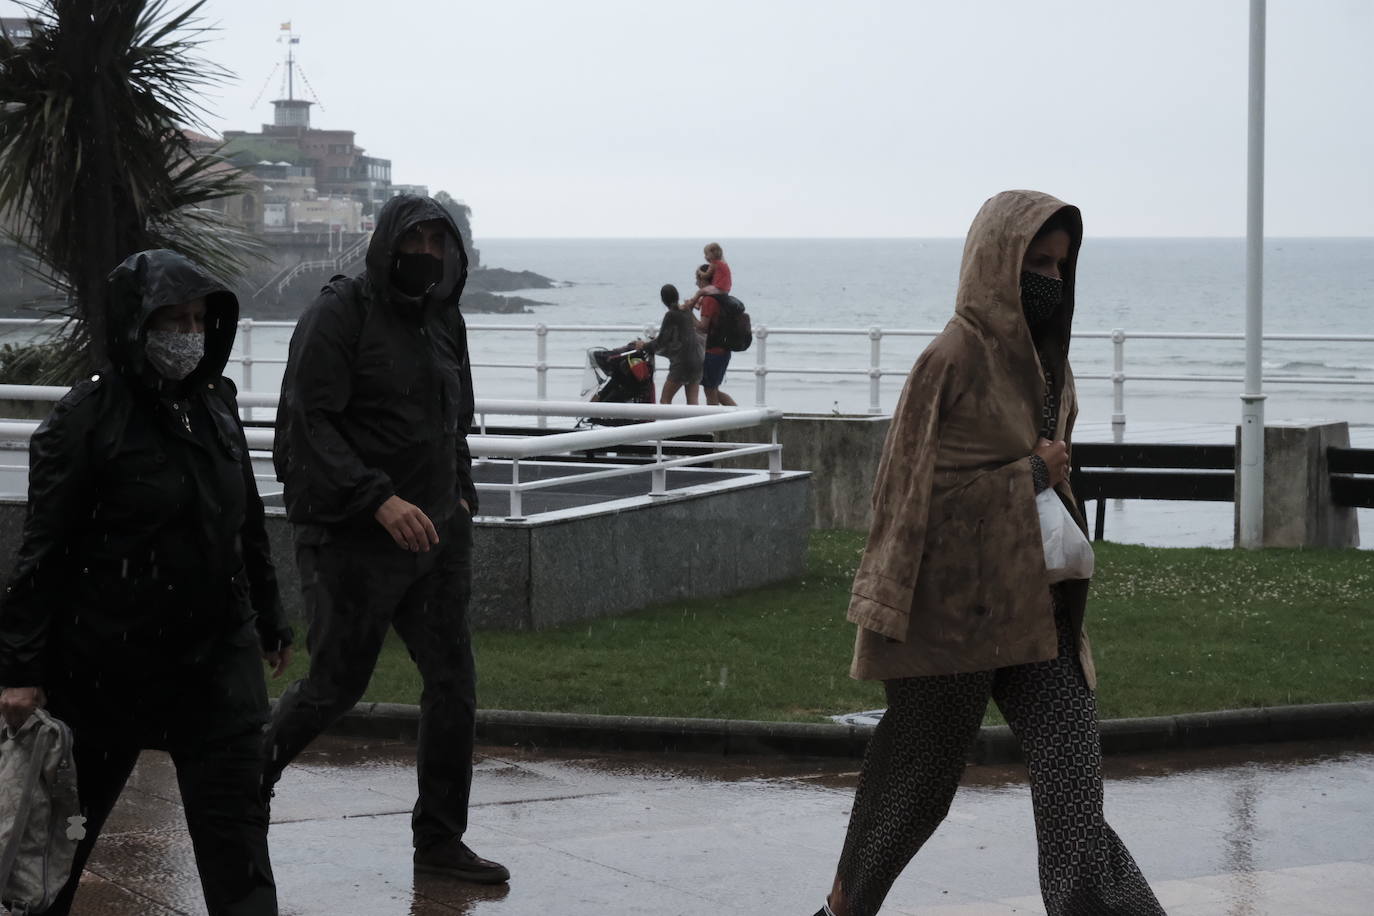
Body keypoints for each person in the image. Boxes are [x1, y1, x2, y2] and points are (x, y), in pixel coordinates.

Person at [816, 191, 1165, 916]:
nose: (1051, 281)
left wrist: (1046, 481)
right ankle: (843, 909)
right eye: (1036, 262)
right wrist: (1033, 474)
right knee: (915, 789)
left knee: (1074, 784)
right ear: (994, 262)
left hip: (1040, 612)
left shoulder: (1053, 369)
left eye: (1061, 266)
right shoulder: (950, 360)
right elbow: (903, 498)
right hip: (953, 618)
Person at [0, 249, 293, 916]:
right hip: (107, 669)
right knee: (63, 845)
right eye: (171, 319)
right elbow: (42, 554)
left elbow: (244, 520)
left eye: (197, 319)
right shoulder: (86, 421)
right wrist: (20, 668)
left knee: (238, 848)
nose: (187, 333)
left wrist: (271, 615)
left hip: (217, 666)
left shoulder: (215, 407)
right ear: (135, 324)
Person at [262, 194, 508, 885]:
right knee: (335, 685)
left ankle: (440, 838)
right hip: (351, 538)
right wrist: (379, 499)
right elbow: (311, 423)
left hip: (437, 534)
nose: (427, 255)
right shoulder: (338, 314)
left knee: (453, 684)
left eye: (440, 242)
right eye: (417, 240)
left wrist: (460, 492)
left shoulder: (445, 319)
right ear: (386, 242)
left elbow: (454, 416)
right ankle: (247, 781)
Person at [634, 283, 704, 404]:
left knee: (665, 400)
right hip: (697, 359)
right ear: (677, 296)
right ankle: (695, 423)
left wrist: (644, 345)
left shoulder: (671, 315)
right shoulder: (686, 311)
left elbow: (661, 342)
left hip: (682, 363)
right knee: (693, 402)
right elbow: (680, 336)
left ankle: (670, 424)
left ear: (663, 300)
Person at [692, 265, 738, 407]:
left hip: (713, 351)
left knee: (710, 392)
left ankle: (716, 426)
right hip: (722, 350)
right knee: (713, 390)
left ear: (704, 279)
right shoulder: (719, 296)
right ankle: (739, 416)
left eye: (697, 279)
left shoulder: (709, 299)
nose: (696, 283)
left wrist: (689, 315)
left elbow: (703, 327)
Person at [684, 241, 733, 309]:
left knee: (700, 292)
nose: (706, 257)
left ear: (712, 254)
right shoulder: (722, 262)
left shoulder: (714, 264)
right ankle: (698, 303)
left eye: (707, 254)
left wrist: (699, 271)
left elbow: (706, 275)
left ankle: (691, 304)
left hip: (720, 288)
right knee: (706, 292)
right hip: (726, 288)